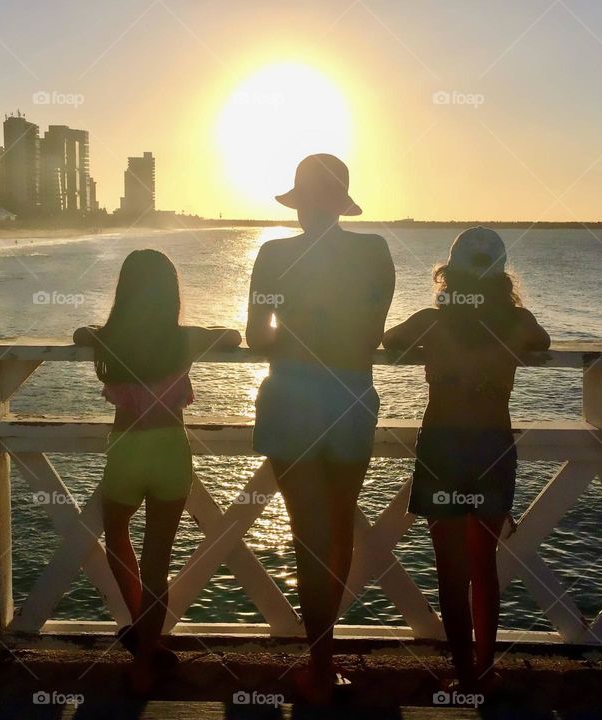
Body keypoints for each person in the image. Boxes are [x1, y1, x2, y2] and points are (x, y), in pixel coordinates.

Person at [246, 154, 395, 704]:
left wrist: (296, 338)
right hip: (351, 395)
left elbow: (257, 337)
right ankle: (325, 663)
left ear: (301, 203)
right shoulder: (375, 252)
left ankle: (319, 665)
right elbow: (371, 335)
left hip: (290, 397)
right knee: (337, 528)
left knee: (309, 532)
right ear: (341, 203)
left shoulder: (273, 255)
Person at [383, 227, 550, 692]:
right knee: (484, 567)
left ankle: (465, 677)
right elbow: (543, 340)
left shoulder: (431, 323)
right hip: (492, 448)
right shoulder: (517, 323)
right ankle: (486, 667)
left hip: (442, 446)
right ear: (501, 278)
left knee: (451, 571)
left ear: (449, 276)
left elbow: (391, 339)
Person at [73, 249, 241, 694]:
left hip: (127, 450)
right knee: (157, 562)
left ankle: (139, 628)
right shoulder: (184, 339)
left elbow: (78, 332)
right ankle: (146, 659)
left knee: (117, 538)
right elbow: (234, 336)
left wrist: (94, 330)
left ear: (124, 291)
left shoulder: (110, 339)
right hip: (171, 452)